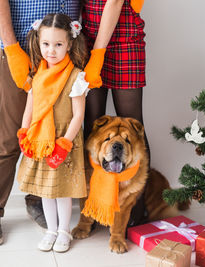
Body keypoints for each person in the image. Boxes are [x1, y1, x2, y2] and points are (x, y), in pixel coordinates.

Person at [0, 0, 81, 246]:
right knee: (10, 133)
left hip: (63, 51)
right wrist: (12, 49)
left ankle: (39, 199)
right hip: (23, 49)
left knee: (55, 130)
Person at [12, 13, 88, 252]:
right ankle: (51, 230)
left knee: (62, 191)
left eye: (58, 45)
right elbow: (30, 109)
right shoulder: (37, 76)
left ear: (69, 44)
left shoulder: (76, 76)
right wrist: (24, 133)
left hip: (64, 142)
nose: (51, 51)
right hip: (41, 141)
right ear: (38, 42)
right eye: (46, 44)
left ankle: (64, 231)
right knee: (47, 190)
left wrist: (65, 143)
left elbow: (78, 115)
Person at [82, 0, 150, 227]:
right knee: (93, 128)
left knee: (134, 128)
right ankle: (93, 208)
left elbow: (114, 3)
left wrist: (98, 54)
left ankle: (137, 211)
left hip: (125, 39)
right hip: (89, 37)